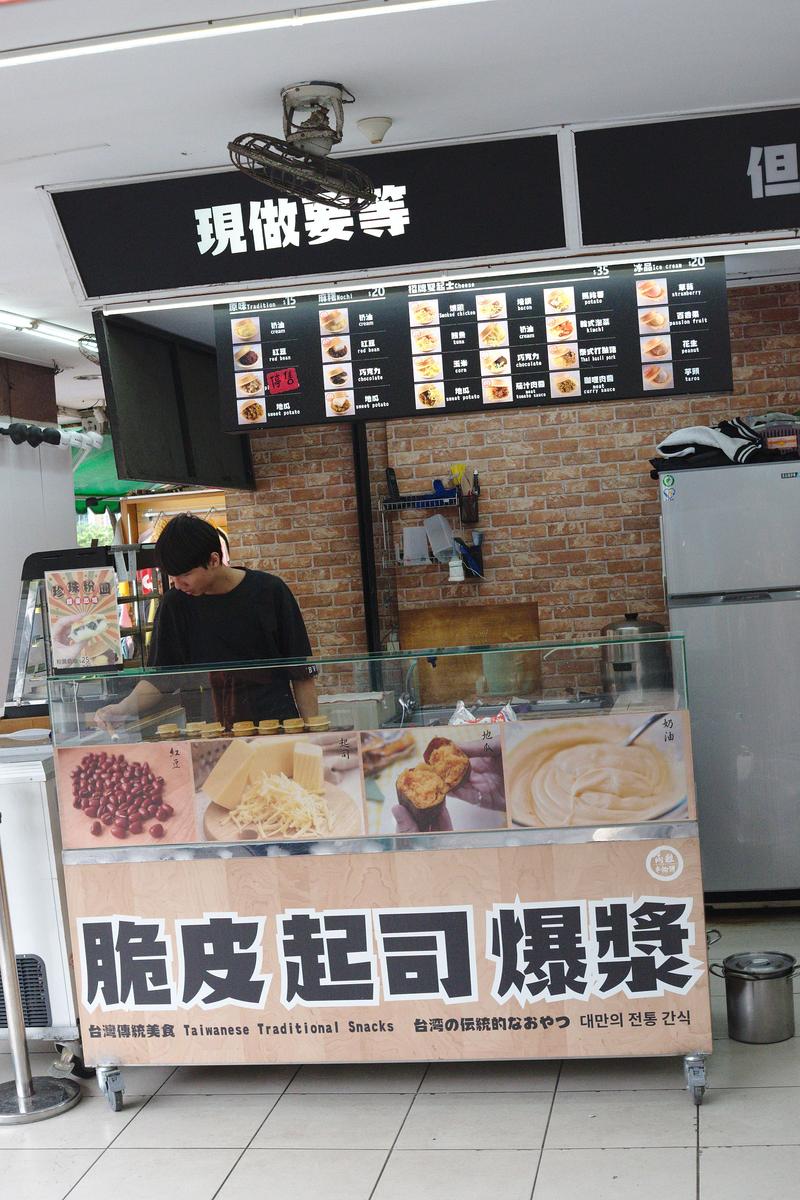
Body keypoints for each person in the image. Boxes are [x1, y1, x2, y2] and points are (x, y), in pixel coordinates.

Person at [95, 515, 317, 731]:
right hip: (208, 731)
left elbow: (301, 673)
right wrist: (121, 709)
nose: (178, 584)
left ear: (213, 560)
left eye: (185, 575)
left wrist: (314, 732)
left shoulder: (270, 592)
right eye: (172, 576)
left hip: (275, 726)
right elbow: (160, 680)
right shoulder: (175, 604)